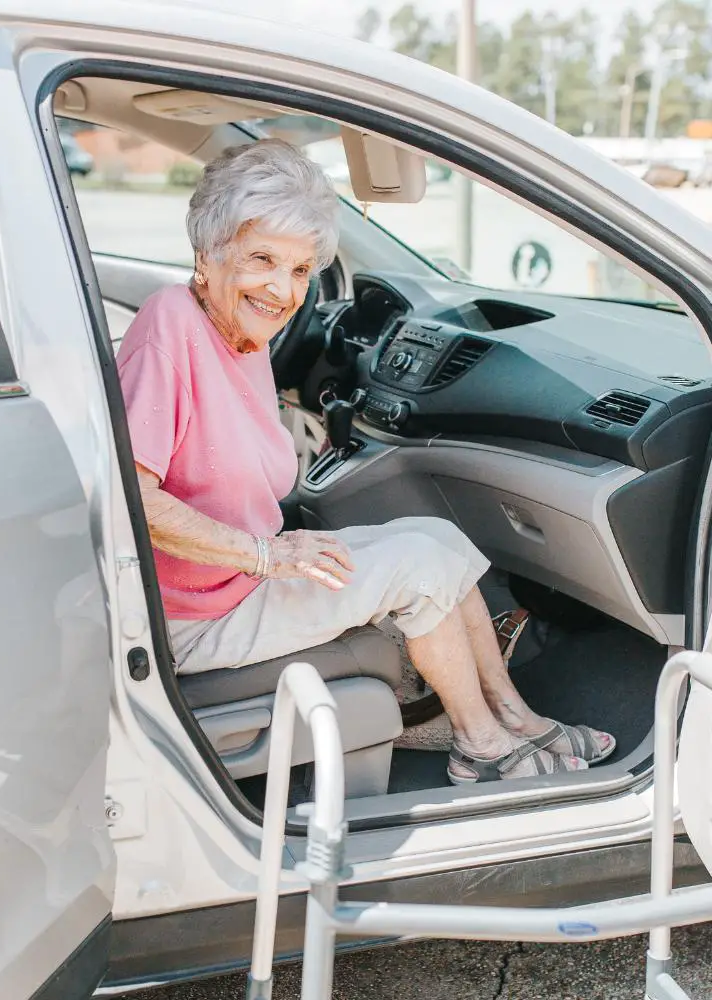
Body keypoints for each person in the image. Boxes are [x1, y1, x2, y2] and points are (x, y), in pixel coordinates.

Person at [117, 139, 615, 784]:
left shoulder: (238, 334)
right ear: (207, 255)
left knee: (438, 538)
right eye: (262, 259)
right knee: (419, 565)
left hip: (234, 580)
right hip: (194, 615)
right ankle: (481, 744)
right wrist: (267, 555)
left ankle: (512, 715)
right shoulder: (170, 325)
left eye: (299, 272)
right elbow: (131, 499)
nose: (281, 289)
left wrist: (268, 552)